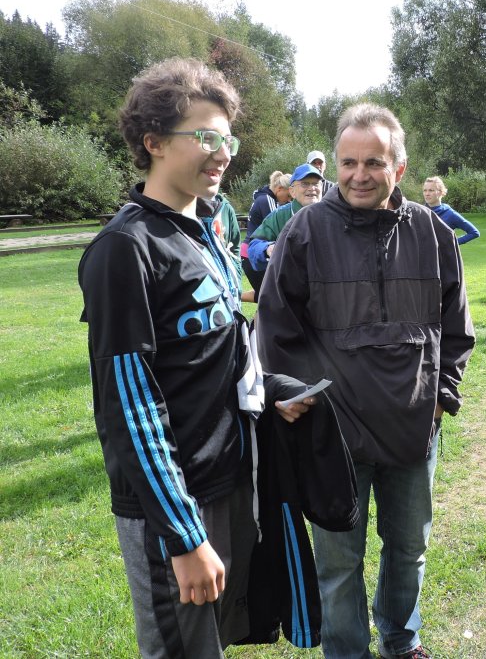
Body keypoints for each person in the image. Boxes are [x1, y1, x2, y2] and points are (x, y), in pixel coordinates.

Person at [77, 57, 313, 657]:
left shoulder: (204, 229)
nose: (223, 153)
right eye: (205, 137)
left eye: (228, 138)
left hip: (228, 476)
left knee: (216, 640)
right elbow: (129, 406)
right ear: (153, 142)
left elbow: (220, 346)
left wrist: (272, 390)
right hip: (173, 502)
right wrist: (183, 537)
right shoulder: (125, 249)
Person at [256, 103, 475, 659]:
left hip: (413, 430)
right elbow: (275, 325)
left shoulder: (433, 232)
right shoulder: (306, 230)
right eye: (348, 163)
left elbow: (456, 327)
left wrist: (441, 399)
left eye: (374, 162)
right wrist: (284, 391)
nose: (359, 175)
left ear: (398, 168)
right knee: (338, 563)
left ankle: (401, 641)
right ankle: (347, 652)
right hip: (334, 436)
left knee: (408, 550)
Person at [245, 162, 323, 275]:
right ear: (292, 191)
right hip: (292, 282)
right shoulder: (279, 216)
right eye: (305, 184)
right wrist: (268, 249)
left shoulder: (332, 215)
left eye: (316, 183)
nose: (312, 188)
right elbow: (254, 247)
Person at [241, 171, 291, 301]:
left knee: (269, 296)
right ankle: (233, 297)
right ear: (279, 189)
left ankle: (235, 296)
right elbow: (277, 229)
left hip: (249, 252)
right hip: (253, 254)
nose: (289, 200)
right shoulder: (267, 200)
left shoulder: (263, 198)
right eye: (288, 196)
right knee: (272, 297)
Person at [421, 176, 480, 245]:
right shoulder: (419, 212)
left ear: (440, 192)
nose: (427, 194)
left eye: (431, 190)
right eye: (425, 190)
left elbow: (474, 232)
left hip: (443, 252)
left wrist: (452, 244)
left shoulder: (450, 214)